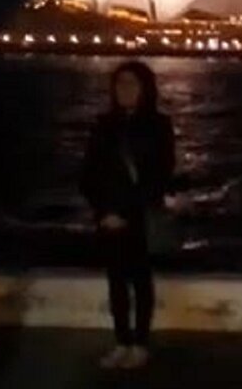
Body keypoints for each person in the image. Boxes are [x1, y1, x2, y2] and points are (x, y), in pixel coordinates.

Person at [80, 61, 176, 370]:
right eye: (120, 83)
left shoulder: (159, 125)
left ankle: (141, 343)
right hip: (108, 218)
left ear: (145, 88)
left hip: (139, 217)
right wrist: (104, 211)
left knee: (141, 282)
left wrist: (123, 212)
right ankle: (122, 341)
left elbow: (160, 175)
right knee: (116, 283)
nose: (125, 89)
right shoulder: (103, 124)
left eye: (132, 83)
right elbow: (88, 174)